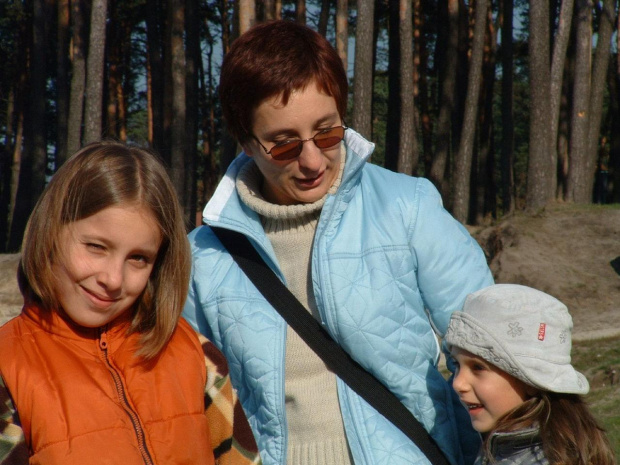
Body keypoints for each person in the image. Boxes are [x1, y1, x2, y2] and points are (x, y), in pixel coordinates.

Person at [183, 20, 494, 465]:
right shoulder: (204, 257)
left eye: (326, 132)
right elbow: (190, 397)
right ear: (247, 143)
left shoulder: (407, 207)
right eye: (284, 145)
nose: (312, 161)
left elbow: (490, 347)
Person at [0, 142, 261, 464]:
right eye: (96, 247)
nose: (113, 279)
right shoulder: (7, 367)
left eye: (138, 258)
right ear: (51, 231)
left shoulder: (195, 355)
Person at [445, 284, 616, 465]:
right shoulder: (499, 446)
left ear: (531, 383)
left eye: (478, 367)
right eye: (457, 364)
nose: (458, 383)